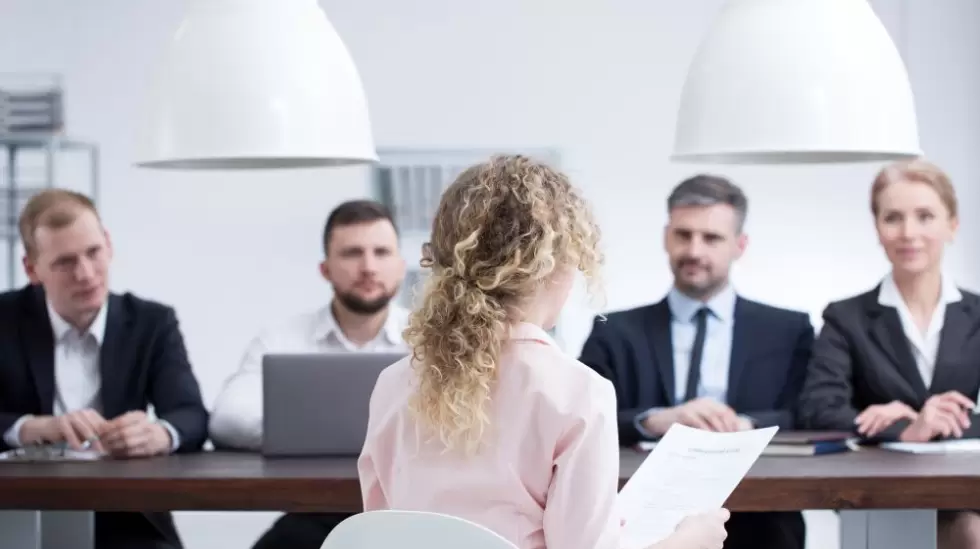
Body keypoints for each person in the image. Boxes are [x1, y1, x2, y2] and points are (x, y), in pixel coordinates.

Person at [357, 155, 730, 549]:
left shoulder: (393, 384)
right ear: (560, 263)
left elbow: (377, 532)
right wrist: (688, 542)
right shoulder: (578, 393)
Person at [578, 175, 813, 549]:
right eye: (683, 235)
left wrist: (744, 424)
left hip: (761, 519)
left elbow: (806, 411)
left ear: (740, 245)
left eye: (712, 238)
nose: (694, 250)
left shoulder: (788, 329)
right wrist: (654, 419)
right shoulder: (614, 330)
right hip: (642, 520)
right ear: (665, 237)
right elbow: (583, 419)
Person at [0, 189, 209, 549]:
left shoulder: (152, 323)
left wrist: (159, 434)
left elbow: (191, 415)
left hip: (126, 513)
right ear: (32, 270)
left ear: (108, 244)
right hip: (17, 511)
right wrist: (29, 428)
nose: (85, 274)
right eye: (64, 262)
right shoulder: (3, 319)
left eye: (93, 253)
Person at [797, 159, 980, 549]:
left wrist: (924, 420)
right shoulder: (846, 317)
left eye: (925, 216)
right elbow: (817, 407)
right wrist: (903, 429)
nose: (908, 232)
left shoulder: (978, 315)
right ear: (877, 229)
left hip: (968, 488)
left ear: (952, 224)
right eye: (892, 217)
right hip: (880, 488)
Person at [208, 199, 408, 549]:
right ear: (325, 268)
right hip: (317, 511)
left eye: (381, 252)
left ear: (401, 266)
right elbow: (227, 417)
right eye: (351, 253)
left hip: (410, 512)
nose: (368, 266)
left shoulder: (432, 339)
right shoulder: (282, 337)